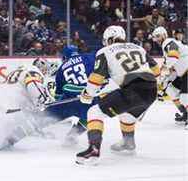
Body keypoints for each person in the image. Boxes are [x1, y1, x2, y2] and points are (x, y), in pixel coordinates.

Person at [76, 25, 160, 165]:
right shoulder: (137, 47)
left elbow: (97, 77)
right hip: (151, 90)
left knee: (94, 112)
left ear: (109, 39)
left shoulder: (105, 50)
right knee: (127, 114)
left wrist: (87, 94)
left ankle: (93, 150)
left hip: (132, 89)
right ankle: (128, 143)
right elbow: (156, 70)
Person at [152, 27, 188, 127]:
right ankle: (186, 114)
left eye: (158, 36)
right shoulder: (167, 46)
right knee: (171, 90)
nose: (157, 39)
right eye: (155, 37)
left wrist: (165, 72)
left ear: (164, 35)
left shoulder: (168, 42)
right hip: (183, 73)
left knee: (185, 97)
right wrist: (166, 81)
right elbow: (173, 67)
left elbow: (173, 57)